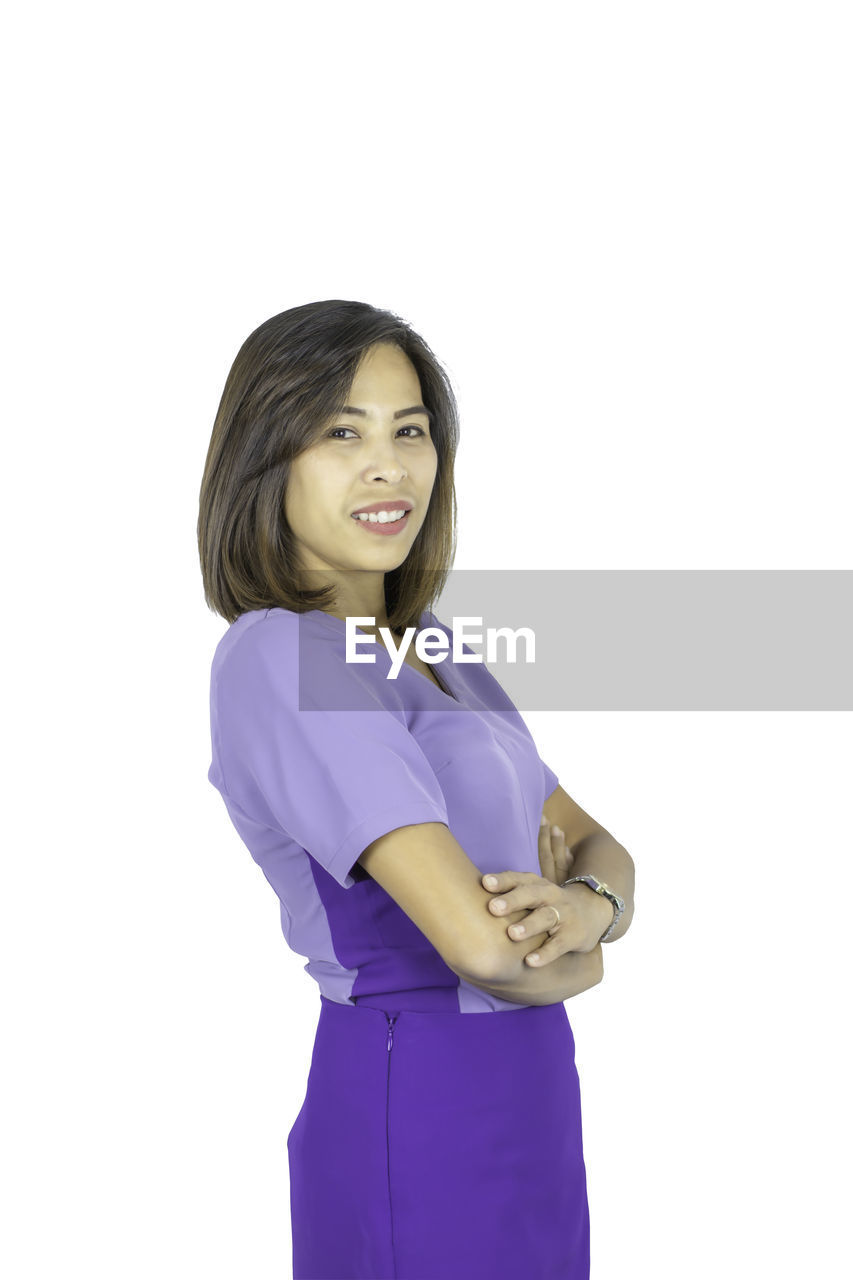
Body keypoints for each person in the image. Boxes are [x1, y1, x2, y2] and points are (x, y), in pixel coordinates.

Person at [197, 300, 635, 1280]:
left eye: (411, 430)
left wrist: (586, 904)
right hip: (417, 1094)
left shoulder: (431, 644)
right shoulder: (282, 655)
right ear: (269, 459)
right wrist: (592, 945)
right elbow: (482, 946)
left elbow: (597, 842)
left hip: (529, 1095)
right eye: (340, 431)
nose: (388, 463)